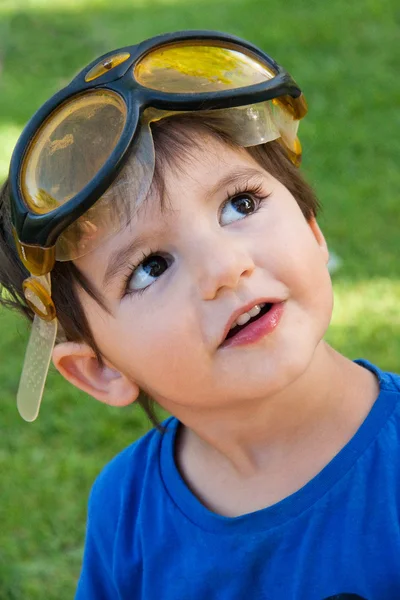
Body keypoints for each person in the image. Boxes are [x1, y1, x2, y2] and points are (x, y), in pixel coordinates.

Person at [1, 30, 399, 600]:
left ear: (313, 229)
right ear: (101, 369)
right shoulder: (126, 512)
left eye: (241, 204)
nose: (224, 267)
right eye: (150, 267)